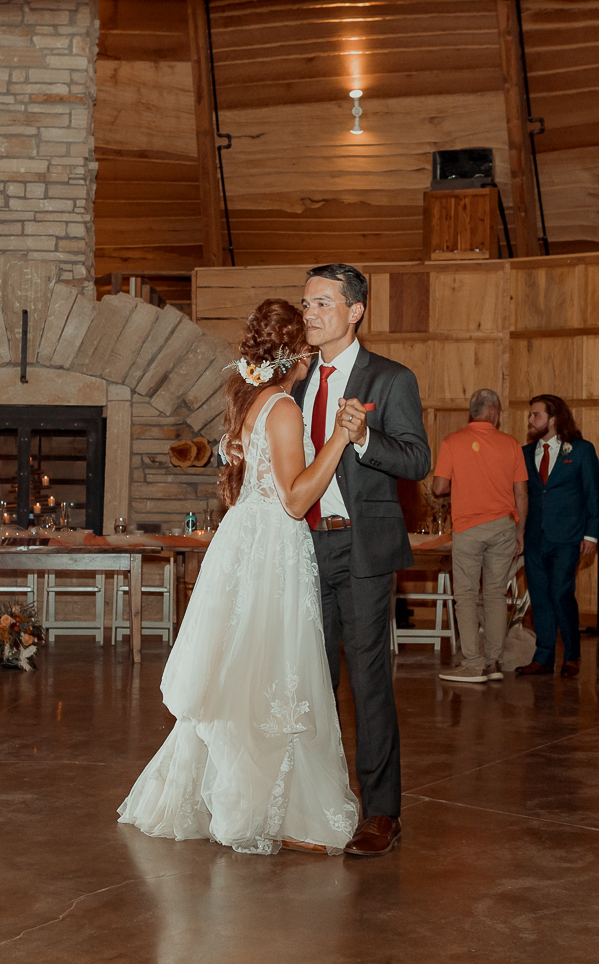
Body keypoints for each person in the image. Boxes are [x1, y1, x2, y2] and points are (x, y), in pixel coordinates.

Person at [118, 299, 359, 855]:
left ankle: (247, 797)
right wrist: (341, 439)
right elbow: (297, 500)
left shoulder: (252, 402)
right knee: (276, 671)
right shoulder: (282, 409)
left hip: (243, 542)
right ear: (297, 355)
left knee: (245, 674)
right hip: (272, 545)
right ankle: (270, 808)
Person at [293, 263, 430, 857]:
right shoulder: (296, 384)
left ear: (356, 312)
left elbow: (418, 460)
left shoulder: (390, 379)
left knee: (368, 680)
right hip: (302, 546)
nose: (311, 314)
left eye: (323, 303)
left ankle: (380, 814)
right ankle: (316, 800)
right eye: (306, 304)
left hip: (362, 545)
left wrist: (366, 440)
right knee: (311, 680)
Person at [431, 388, 527, 684]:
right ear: (494, 412)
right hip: (502, 527)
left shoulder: (452, 442)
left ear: (471, 412)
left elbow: (438, 488)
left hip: (468, 528)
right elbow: (521, 492)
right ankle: (494, 661)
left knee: (466, 596)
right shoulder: (511, 444)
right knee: (496, 594)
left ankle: (473, 663)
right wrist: (520, 531)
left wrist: (463, 479)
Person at [514, 394, 599, 679]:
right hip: (535, 538)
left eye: (536, 415)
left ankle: (572, 655)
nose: (530, 420)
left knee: (561, 593)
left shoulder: (580, 450)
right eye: (530, 415)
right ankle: (543, 657)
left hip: (568, 538)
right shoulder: (526, 453)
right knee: (539, 596)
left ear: (554, 418)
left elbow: (592, 495)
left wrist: (591, 535)